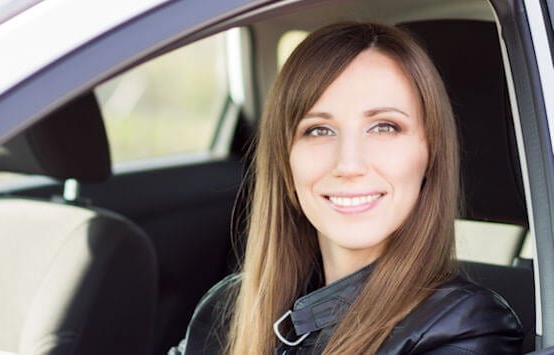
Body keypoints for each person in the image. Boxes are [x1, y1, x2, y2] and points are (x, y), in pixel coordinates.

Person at [170, 22, 523, 354]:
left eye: (384, 127)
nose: (349, 165)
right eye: (319, 130)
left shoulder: (466, 327)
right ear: (285, 159)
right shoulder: (226, 307)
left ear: (429, 152)